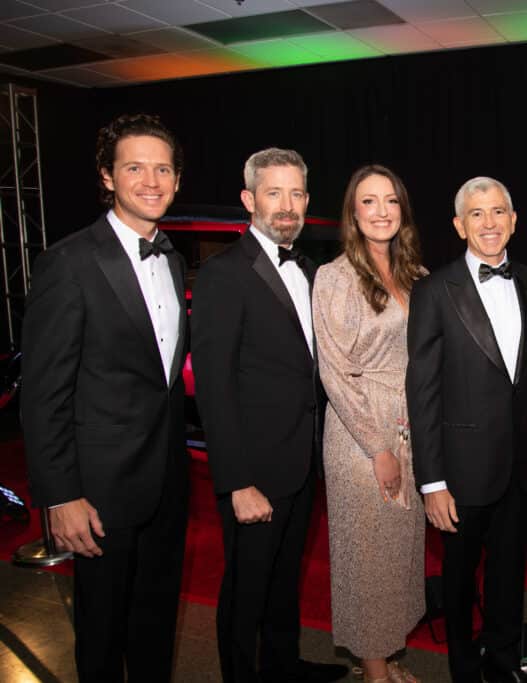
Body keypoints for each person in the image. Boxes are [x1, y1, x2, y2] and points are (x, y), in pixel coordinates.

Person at [21, 113, 189, 682]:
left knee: (155, 622)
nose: (151, 180)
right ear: (107, 177)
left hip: (166, 480)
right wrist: (60, 495)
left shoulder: (171, 256)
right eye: (135, 167)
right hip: (99, 492)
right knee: (101, 633)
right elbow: (44, 394)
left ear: (177, 179)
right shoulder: (67, 263)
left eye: (162, 168)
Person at [406, 176, 527, 683]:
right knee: (458, 582)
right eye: (476, 214)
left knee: (508, 578)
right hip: (460, 472)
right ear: (460, 224)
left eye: (498, 212)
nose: (489, 223)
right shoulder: (434, 290)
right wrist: (432, 482)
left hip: (524, 468)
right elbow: (424, 391)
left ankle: (503, 666)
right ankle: (463, 671)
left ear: (514, 220)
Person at [190, 148, 347, 683]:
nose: (287, 205)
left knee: (284, 580)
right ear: (248, 199)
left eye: (296, 193)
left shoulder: (308, 268)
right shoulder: (223, 275)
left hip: (301, 462)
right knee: (246, 588)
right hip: (254, 472)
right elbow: (213, 389)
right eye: (274, 193)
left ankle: (284, 666)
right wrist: (236, 482)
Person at [312, 165, 424, 683]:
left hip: (410, 427)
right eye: (368, 202)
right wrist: (377, 446)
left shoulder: (415, 274)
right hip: (362, 433)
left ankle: (388, 652)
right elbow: (335, 371)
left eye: (391, 201)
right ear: (353, 214)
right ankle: (374, 668)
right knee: (367, 555)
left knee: (399, 554)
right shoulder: (334, 277)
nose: (381, 212)